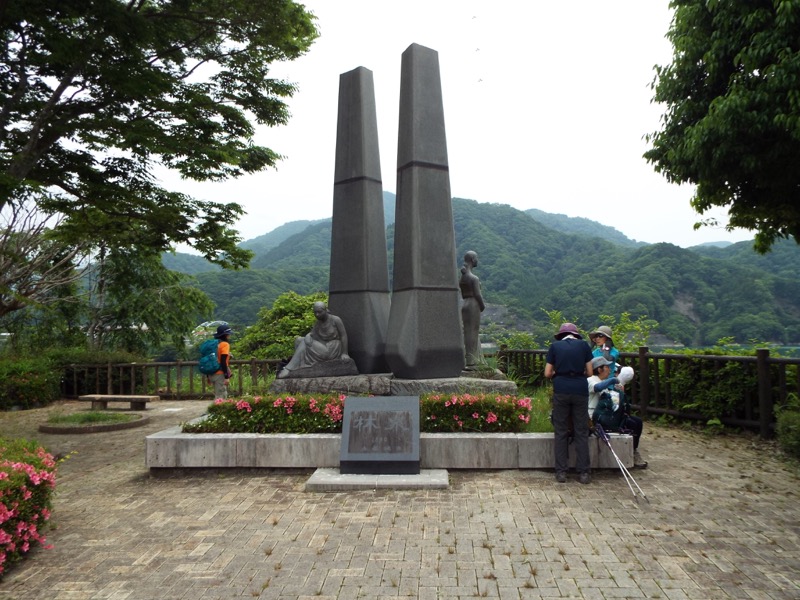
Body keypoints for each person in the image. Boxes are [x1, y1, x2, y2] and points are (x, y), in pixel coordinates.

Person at [545, 322, 595, 484]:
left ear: (561, 335)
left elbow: (547, 373)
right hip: (580, 390)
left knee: (561, 431)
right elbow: (589, 372)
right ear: (576, 335)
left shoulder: (555, 347)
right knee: (581, 430)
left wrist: (557, 374)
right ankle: (584, 473)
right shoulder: (584, 346)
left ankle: (561, 472)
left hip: (561, 389)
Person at [591, 358, 648, 468]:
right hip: (598, 417)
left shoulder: (603, 382)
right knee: (632, 424)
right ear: (599, 369)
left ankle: (633, 451)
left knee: (638, 421)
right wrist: (613, 380)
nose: (609, 369)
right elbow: (597, 388)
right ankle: (631, 453)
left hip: (607, 415)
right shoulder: (592, 381)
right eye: (607, 367)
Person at [277, 301, 350, 378]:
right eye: (315, 312)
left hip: (331, 349)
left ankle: (289, 369)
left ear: (325, 310)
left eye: (319, 312)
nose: (317, 315)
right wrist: (308, 336)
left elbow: (343, 336)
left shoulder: (335, 320)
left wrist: (344, 353)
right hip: (322, 345)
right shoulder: (318, 323)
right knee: (298, 340)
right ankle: (298, 366)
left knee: (305, 342)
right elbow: (312, 334)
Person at [459, 250, 485, 369]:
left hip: (465, 304)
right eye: (476, 258)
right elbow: (478, 294)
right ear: (472, 260)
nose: (477, 260)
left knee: (468, 332)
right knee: (473, 333)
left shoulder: (463, 278)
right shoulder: (474, 278)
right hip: (473, 304)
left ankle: (470, 359)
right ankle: (472, 361)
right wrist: (482, 305)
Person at [210, 324, 233, 399]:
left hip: (211, 373)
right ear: (225, 335)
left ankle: (215, 410)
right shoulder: (225, 344)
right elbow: (223, 361)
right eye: (229, 334)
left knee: (218, 395)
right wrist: (226, 377)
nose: (229, 336)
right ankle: (216, 410)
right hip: (219, 374)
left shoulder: (214, 344)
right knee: (221, 397)